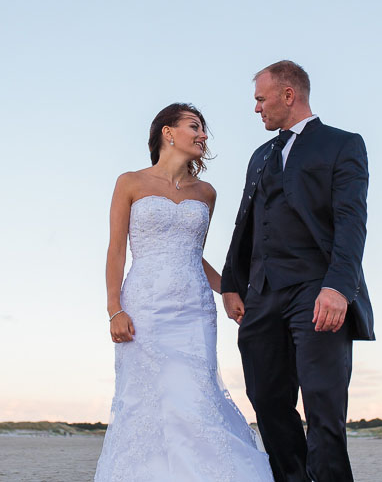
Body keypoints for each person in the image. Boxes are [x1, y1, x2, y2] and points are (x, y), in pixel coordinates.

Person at [95, 103, 273, 482]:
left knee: (195, 399)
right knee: (146, 403)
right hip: (143, 308)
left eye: (204, 129)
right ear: (168, 132)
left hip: (194, 311)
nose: (203, 135)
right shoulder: (130, 182)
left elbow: (196, 256)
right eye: (195, 126)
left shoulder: (206, 192)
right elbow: (116, 251)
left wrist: (229, 290)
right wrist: (114, 309)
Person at [221, 60, 374, 482]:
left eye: (260, 98)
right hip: (262, 295)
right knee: (267, 400)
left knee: (323, 407)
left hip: (317, 290)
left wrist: (339, 289)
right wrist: (232, 284)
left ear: (288, 94)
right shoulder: (260, 155)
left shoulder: (342, 144)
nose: (256, 109)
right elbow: (246, 222)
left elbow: (351, 222)